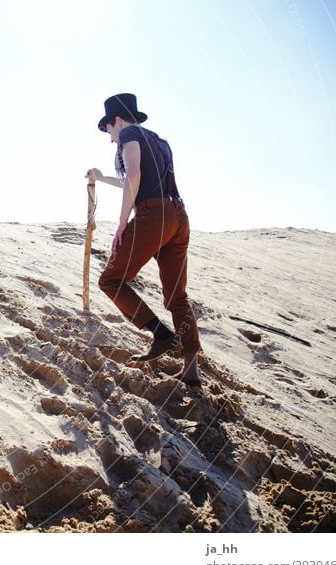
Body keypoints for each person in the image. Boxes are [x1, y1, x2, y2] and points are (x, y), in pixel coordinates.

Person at [86, 93, 201, 387]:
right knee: (177, 296)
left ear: (118, 121)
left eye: (109, 130)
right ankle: (191, 371)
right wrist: (101, 177)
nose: (111, 138)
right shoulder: (159, 141)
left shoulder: (128, 133)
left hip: (154, 216)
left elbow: (134, 176)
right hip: (178, 216)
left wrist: (122, 222)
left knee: (110, 280)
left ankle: (161, 335)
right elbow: (132, 179)